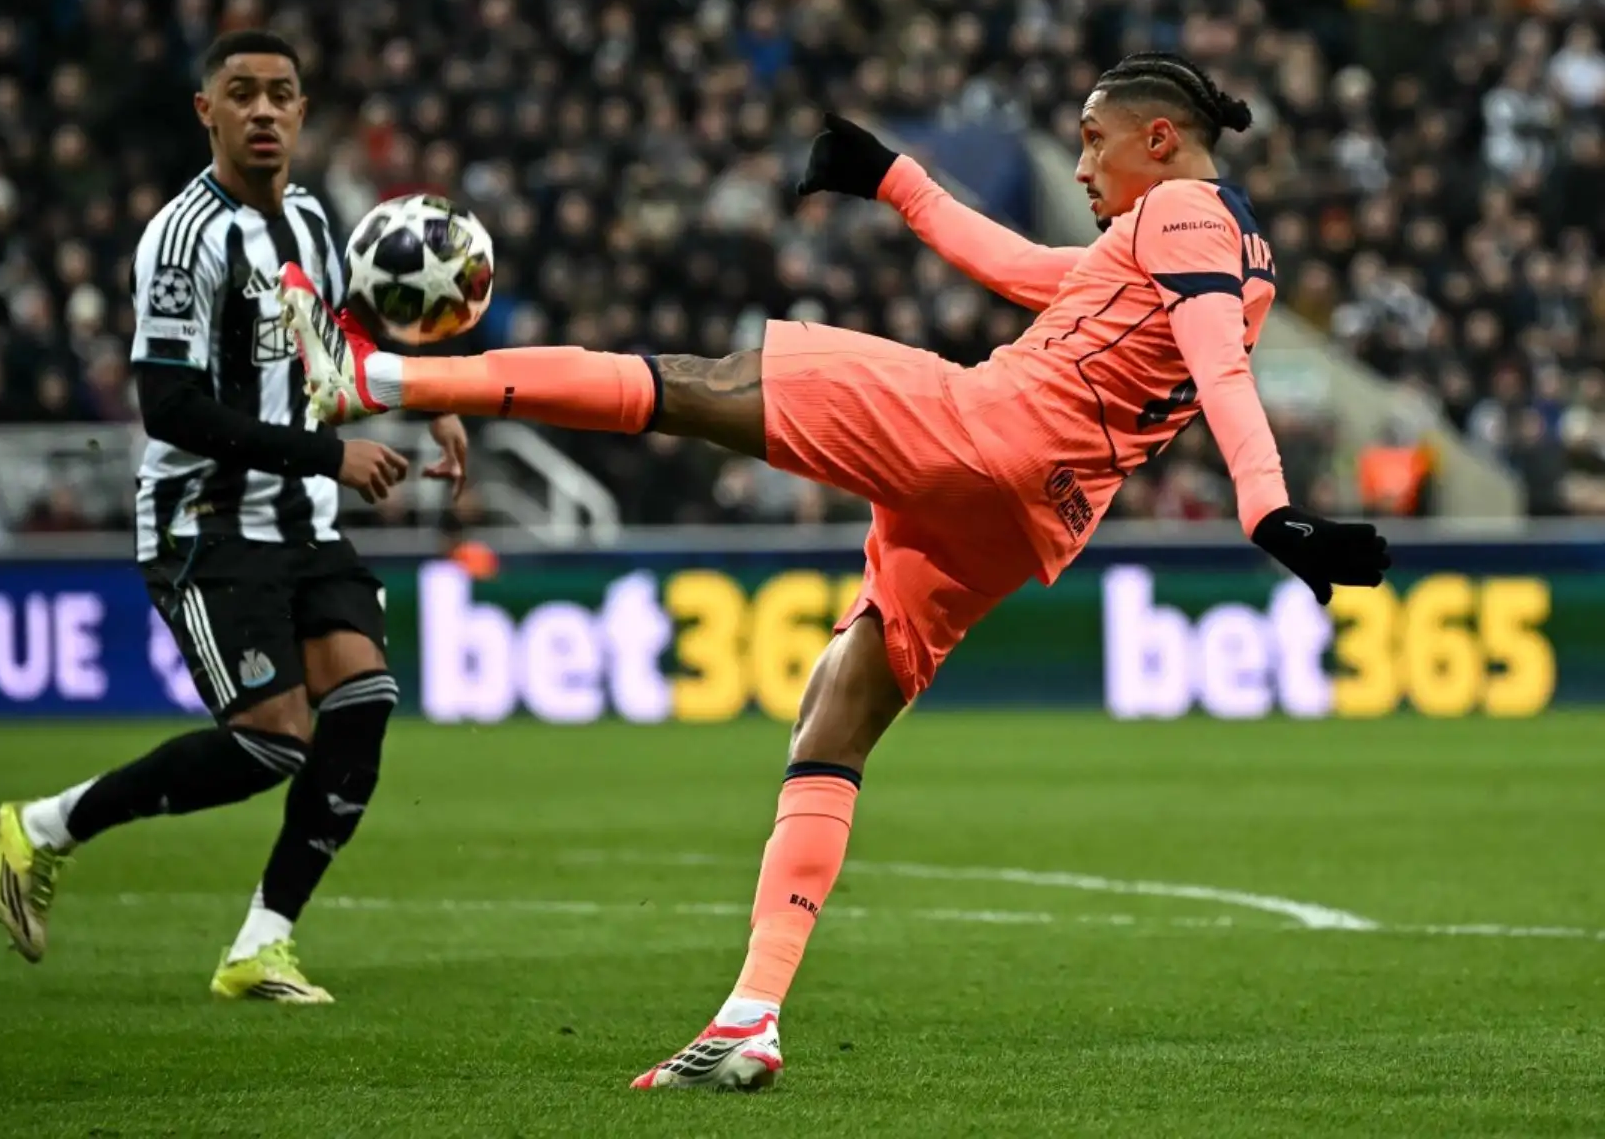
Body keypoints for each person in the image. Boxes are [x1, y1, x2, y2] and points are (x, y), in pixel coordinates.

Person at [281, 53, 1392, 1077]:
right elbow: (1029, 269)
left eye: (1094, 138)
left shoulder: (1186, 212)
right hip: (1028, 518)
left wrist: (1271, 513)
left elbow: (1219, 372)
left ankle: (376, 382)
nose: (1082, 160)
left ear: (1162, 139)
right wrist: (896, 178)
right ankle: (749, 1017)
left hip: (987, 429)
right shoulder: (1217, 252)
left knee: (695, 383)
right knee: (835, 718)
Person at [0, 30, 467, 1004]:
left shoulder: (314, 222)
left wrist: (429, 392)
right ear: (205, 110)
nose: (261, 110)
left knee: (364, 703)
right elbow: (171, 406)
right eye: (239, 93)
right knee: (271, 742)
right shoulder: (181, 237)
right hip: (204, 521)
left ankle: (261, 944)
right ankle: (40, 828)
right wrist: (335, 452)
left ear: (301, 110)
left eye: (280, 94)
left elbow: (334, 344)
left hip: (301, 520)